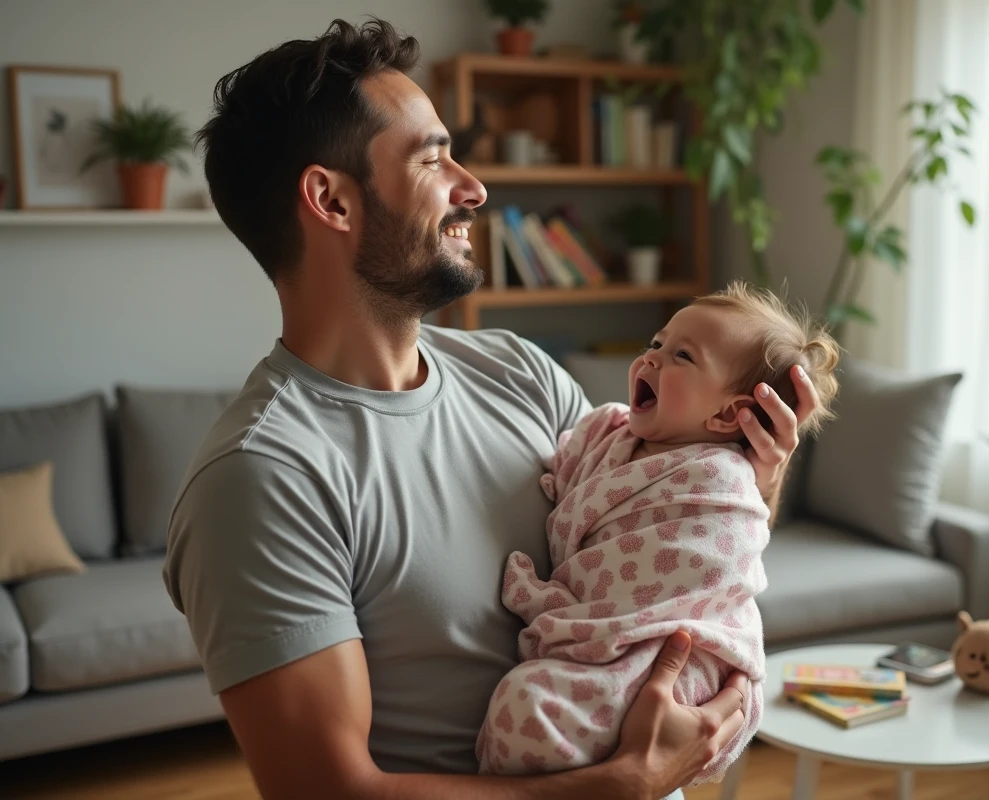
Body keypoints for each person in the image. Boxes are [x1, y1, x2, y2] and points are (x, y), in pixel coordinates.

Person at [162, 17, 820, 800]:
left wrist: (759, 473)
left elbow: (664, 536)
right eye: (434, 158)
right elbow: (328, 792)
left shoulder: (518, 371)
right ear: (331, 201)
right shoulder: (262, 479)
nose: (474, 187)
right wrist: (618, 788)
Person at [476, 282, 841, 783]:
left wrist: (766, 480)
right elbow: (565, 472)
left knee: (530, 706)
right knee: (530, 699)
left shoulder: (722, 482)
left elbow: (716, 564)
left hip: (673, 652)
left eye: (682, 356)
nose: (651, 359)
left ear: (727, 414)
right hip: (614, 645)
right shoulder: (608, 433)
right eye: (656, 343)